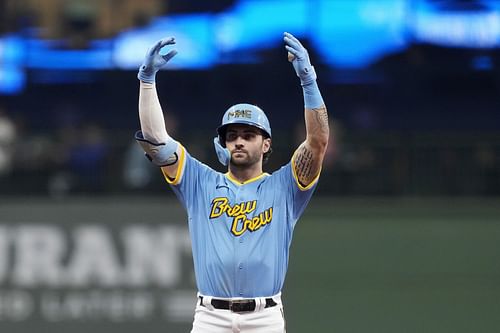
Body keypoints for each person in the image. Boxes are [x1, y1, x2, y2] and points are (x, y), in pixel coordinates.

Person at [135, 32, 329, 333]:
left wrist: (309, 81)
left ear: (266, 144)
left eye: (248, 135)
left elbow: (317, 142)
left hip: (265, 317)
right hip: (211, 317)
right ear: (222, 142)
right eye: (231, 136)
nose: (238, 142)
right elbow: (156, 139)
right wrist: (147, 81)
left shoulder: (285, 187)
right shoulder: (199, 181)